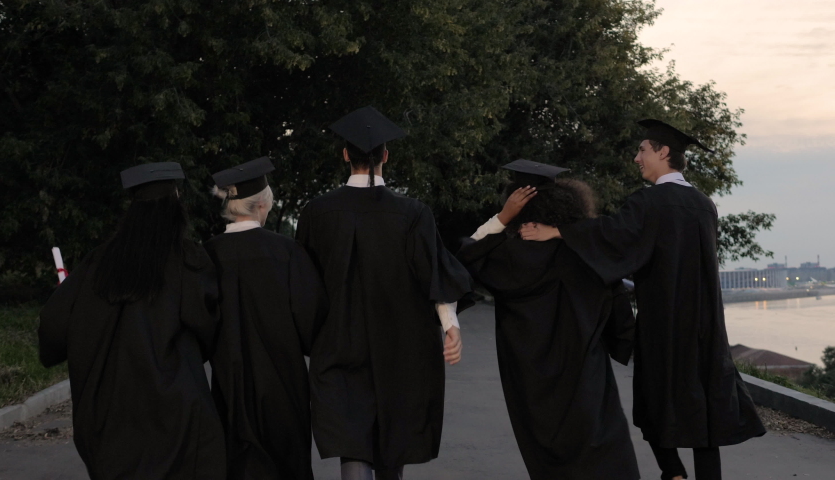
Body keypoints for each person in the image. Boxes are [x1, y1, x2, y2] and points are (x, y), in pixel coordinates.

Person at [520, 120, 766, 480]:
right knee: (703, 404)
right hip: (705, 325)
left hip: (664, 322)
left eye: (643, 150)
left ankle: (674, 473)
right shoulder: (703, 204)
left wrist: (558, 230)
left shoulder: (650, 202)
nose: (637, 158)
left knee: (654, 401)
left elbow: (613, 235)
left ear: (664, 152)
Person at [296, 106, 474, 480]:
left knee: (352, 438)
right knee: (393, 439)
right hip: (400, 344)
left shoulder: (316, 212)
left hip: (338, 342)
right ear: (386, 156)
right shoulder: (412, 213)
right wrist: (449, 324)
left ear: (346, 155)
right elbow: (433, 274)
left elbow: (304, 286)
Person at [38, 162, 225, 480]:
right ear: (176, 207)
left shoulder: (99, 261)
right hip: (176, 415)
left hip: (111, 415)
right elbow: (208, 325)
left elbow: (54, 328)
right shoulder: (187, 259)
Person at [457, 160, 640, 480]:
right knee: (603, 452)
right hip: (586, 374)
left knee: (548, 462)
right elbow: (620, 314)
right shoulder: (588, 255)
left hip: (532, 384)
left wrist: (502, 218)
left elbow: (463, 259)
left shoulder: (506, 256)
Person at [205, 157, 328, 480]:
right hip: (282, 385)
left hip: (227, 384)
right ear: (262, 204)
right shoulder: (287, 252)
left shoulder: (207, 256)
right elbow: (312, 323)